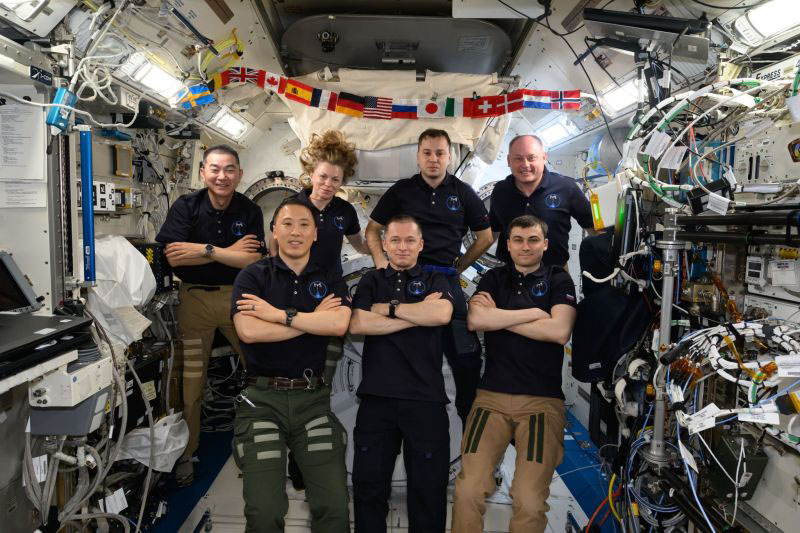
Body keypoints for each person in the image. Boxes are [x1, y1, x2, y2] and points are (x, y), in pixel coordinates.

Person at [231, 197, 351, 533]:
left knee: (335, 507)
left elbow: (339, 325)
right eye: (286, 224)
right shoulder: (252, 277)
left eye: (303, 225)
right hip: (260, 402)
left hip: (312, 402)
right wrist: (312, 319)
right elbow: (249, 331)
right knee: (264, 512)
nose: (295, 232)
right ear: (274, 231)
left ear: (315, 234)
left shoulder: (328, 278)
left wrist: (277, 316)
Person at [451, 215, 578, 533]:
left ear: (545, 244)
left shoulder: (559, 281)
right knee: (468, 489)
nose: (525, 246)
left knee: (529, 499)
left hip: (541, 403)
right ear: (507, 244)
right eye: (518, 240)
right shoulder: (494, 278)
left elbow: (559, 330)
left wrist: (500, 316)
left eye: (533, 239)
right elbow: (476, 320)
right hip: (491, 398)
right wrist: (535, 313)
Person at [364, 129, 493, 429]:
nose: (433, 159)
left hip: (446, 279)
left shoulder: (462, 193)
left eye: (440, 153)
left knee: (466, 357)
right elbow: (373, 230)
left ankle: (470, 429)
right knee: (396, 353)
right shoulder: (401, 191)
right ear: (418, 156)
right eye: (427, 153)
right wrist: (383, 265)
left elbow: (486, 237)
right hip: (405, 279)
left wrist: (460, 265)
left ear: (450, 156)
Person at [156, 144, 265, 486]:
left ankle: (263, 444)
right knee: (191, 383)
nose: (222, 176)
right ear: (202, 172)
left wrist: (201, 251)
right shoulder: (186, 207)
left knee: (262, 371)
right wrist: (223, 252)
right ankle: (186, 453)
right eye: (215, 169)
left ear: (240, 174)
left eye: (229, 169)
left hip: (240, 300)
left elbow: (251, 261)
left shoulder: (249, 210)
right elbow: (174, 258)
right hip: (195, 302)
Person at [268, 130, 368, 490]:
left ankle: (316, 455)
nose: (327, 184)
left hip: (333, 299)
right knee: (295, 380)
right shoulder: (292, 208)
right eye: (323, 177)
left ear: (343, 182)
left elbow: (362, 243)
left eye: (335, 179)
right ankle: (296, 460)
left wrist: (391, 251)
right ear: (311, 174)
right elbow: (273, 255)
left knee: (323, 382)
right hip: (297, 299)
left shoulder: (344, 212)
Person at [349, 215, 454, 533]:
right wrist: (418, 313)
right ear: (384, 244)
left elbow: (442, 313)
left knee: (428, 492)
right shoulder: (371, 281)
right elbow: (358, 324)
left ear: (421, 245)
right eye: (395, 240)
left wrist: (388, 309)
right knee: (368, 490)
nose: (402, 246)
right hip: (377, 401)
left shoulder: (437, 280)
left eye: (410, 240)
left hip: (425, 401)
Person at [489, 135, 595, 268]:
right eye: (518, 158)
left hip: (554, 275)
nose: (525, 165)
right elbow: (492, 233)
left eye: (531, 158)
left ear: (544, 158)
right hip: (509, 273)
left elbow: (594, 229)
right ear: (509, 160)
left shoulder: (566, 187)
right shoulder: (500, 190)